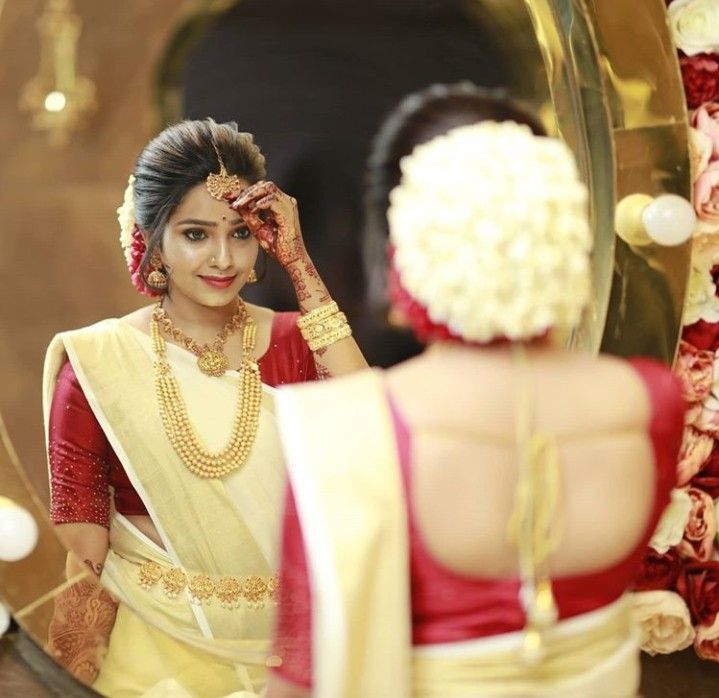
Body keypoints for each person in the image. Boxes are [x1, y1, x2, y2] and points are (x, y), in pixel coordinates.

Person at [265, 89, 685, 697]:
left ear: (405, 254)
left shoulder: (342, 433)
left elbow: (300, 679)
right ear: (573, 242)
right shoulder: (653, 403)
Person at [42, 118, 366, 697]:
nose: (223, 258)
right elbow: (86, 559)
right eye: (196, 234)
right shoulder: (98, 363)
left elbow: (370, 427)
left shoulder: (297, 341)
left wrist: (300, 265)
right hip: (154, 655)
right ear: (153, 237)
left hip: (289, 657)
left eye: (241, 234)